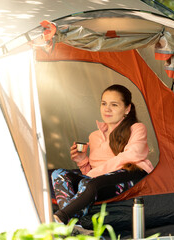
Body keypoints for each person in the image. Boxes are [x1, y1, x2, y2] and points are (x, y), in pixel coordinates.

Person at [51, 84, 154, 224]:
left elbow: (130, 156)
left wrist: (93, 174)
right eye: (104, 103)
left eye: (114, 105)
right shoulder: (94, 136)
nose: (107, 109)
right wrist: (82, 161)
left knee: (89, 183)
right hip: (99, 180)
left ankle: (59, 219)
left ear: (127, 108)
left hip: (132, 173)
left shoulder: (136, 128)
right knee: (58, 173)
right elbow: (91, 172)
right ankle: (72, 224)